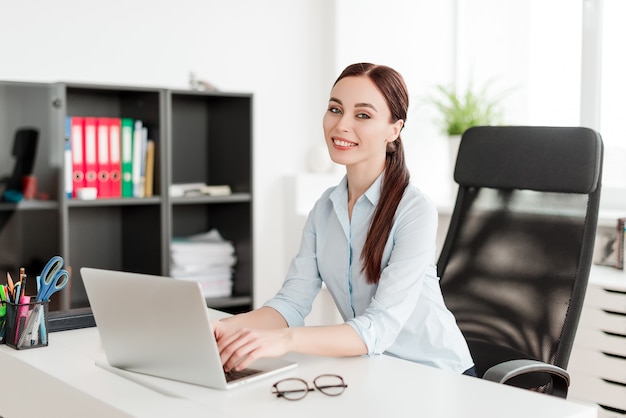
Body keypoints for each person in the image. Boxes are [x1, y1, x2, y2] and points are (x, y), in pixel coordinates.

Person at [213, 62, 476, 376]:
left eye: (363, 115)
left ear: (394, 129)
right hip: (376, 371)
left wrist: (285, 340)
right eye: (335, 109)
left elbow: (378, 326)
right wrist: (219, 327)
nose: (341, 126)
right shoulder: (325, 209)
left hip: (437, 376)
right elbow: (291, 303)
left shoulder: (414, 209)